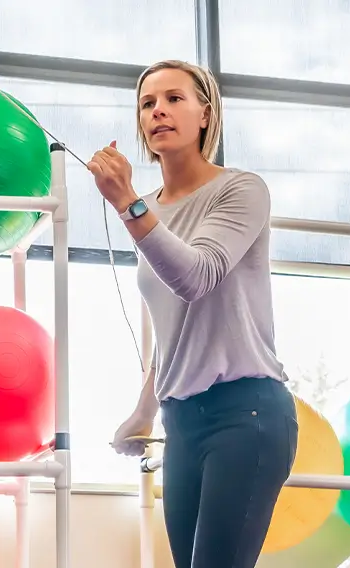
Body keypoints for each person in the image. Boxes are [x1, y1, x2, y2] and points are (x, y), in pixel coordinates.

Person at [89, 59, 298, 568]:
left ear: (205, 113)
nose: (158, 110)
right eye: (147, 103)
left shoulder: (241, 190)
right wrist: (144, 412)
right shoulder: (151, 208)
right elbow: (176, 331)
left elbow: (196, 277)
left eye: (174, 98)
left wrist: (128, 204)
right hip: (181, 424)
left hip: (246, 413)